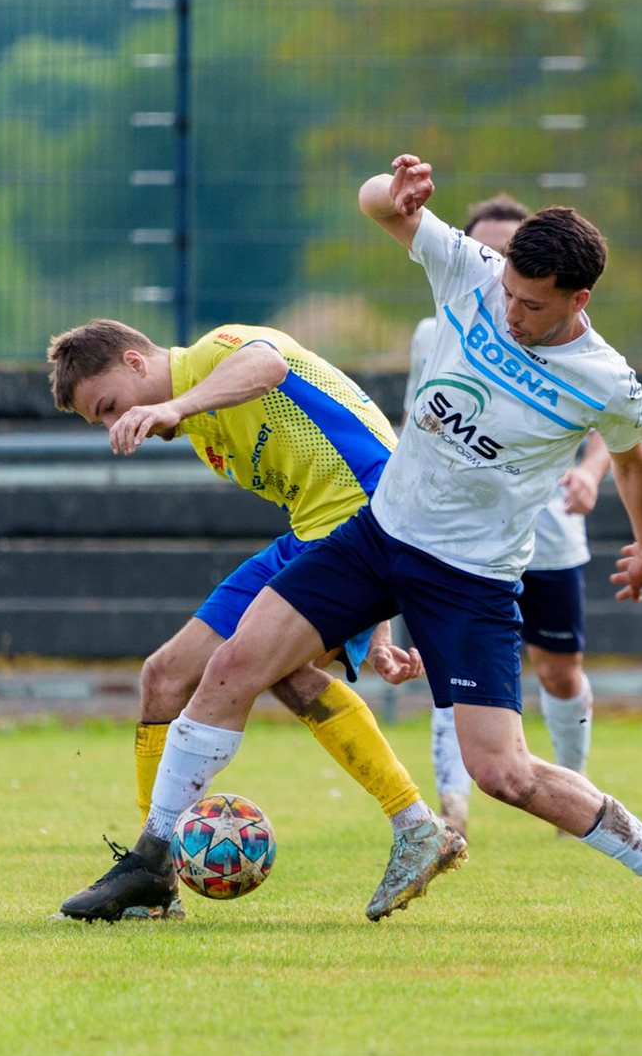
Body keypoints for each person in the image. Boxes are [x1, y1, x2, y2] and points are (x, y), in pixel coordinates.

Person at [56, 153, 642, 928]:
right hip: (377, 535)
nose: (511, 312)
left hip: (469, 579)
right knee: (235, 665)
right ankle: (151, 862)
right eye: (509, 291)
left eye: (533, 306)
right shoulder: (477, 276)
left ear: (579, 300)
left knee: (502, 773)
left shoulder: (605, 379)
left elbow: (636, 464)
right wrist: (394, 191)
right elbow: (378, 205)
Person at [45, 318, 437, 922]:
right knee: (164, 676)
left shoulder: (215, 351)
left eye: (109, 407)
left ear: (135, 362)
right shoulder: (204, 432)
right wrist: (377, 631)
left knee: (275, 669)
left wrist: (176, 404)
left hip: (365, 518)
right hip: (310, 535)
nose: (113, 426)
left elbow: (270, 366)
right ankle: (158, 877)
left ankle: (415, 824)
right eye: (99, 420)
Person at [400, 193, 611, 839]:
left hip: (545, 539)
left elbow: (620, 433)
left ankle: (571, 799)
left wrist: (588, 474)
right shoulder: (440, 330)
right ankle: (451, 809)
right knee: (451, 673)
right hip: (458, 542)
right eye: (487, 253)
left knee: (558, 670)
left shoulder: (571, 340)